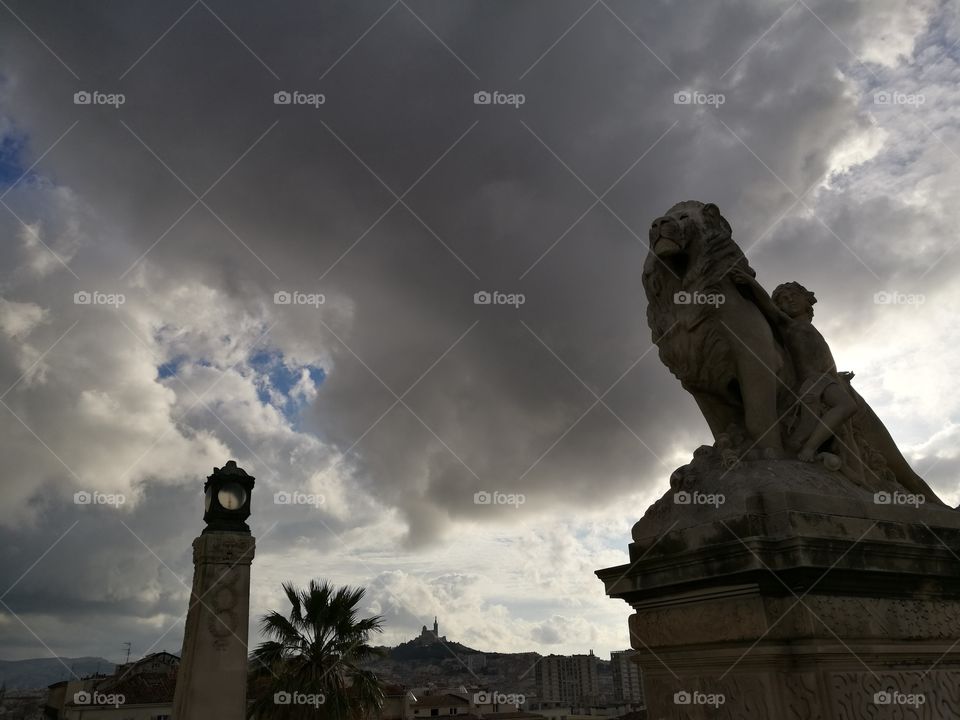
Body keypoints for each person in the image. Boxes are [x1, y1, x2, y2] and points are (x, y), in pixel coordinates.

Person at [731, 269, 858, 462]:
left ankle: (815, 449)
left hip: (826, 380)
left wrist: (840, 377)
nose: (789, 300)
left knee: (847, 410)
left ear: (807, 300)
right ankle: (809, 449)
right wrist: (751, 283)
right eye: (782, 299)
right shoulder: (788, 325)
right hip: (813, 382)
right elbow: (767, 306)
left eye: (793, 295)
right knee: (847, 405)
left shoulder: (809, 327)